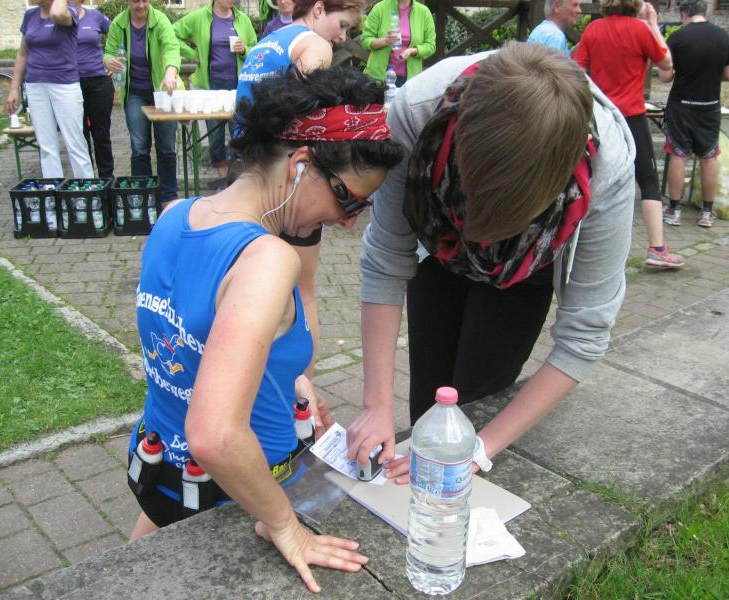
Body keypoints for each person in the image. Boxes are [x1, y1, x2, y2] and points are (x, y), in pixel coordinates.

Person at [128, 66, 403, 593]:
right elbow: (214, 435)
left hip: (160, 470)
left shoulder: (175, 215)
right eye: (349, 199)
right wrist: (284, 525)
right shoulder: (265, 260)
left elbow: (194, 345)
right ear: (300, 164)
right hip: (235, 493)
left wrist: (287, 378)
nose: (350, 221)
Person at [345, 43, 635, 482]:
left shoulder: (609, 169)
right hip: (438, 250)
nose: (480, 240)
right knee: (429, 401)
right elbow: (387, 258)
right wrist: (375, 406)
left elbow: (585, 334)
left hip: (526, 273)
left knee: (477, 400)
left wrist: (480, 449)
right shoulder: (416, 111)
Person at [236, 0, 365, 371]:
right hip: (289, 183)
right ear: (319, 9)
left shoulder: (266, 44)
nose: (342, 38)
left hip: (248, 175)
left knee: (249, 285)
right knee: (302, 292)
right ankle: (301, 385)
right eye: (342, 25)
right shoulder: (315, 44)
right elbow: (303, 102)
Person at [573, 0, 684, 269]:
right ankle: (657, 248)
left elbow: (576, 69)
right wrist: (653, 23)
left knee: (593, 177)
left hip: (601, 116)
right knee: (647, 180)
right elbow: (666, 62)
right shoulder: (640, 29)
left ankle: (581, 246)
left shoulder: (593, 29)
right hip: (631, 117)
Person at [658, 0, 729, 228]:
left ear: (683, 14)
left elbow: (665, 77)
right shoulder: (723, 37)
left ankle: (674, 210)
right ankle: (707, 212)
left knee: (678, 154)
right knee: (709, 156)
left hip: (682, 104)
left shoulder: (678, 37)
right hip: (709, 104)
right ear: (705, 12)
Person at [6, 0, 94, 179]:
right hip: (35, 86)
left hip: (65, 86)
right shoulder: (30, 16)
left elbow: (57, 14)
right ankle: (52, 190)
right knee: (46, 146)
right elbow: (23, 53)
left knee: (75, 143)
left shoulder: (69, 12)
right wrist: (14, 88)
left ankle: (86, 191)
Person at [104, 0, 181, 201]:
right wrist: (108, 61)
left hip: (162, 91)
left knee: (166, 147)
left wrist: (170, 73)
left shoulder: (160, 20)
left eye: (144, 0)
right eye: (135, 1)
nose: (140, 5)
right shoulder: (118, 24)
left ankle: (168, 197)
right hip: (135, 93)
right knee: (139, 148)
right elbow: (108, 52)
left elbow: (171, 48)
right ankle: (143, 197)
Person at [173, 0, 257, 181]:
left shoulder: (243, 19)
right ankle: (224, 176)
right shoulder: (199, 17)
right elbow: (172, 33)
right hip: (210, 86)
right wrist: (192, 54)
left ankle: (237, 176)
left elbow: (256, 49)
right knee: (215, 134)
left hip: (237, 85)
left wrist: (244, 49)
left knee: (239, 131)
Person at [68, 0, 115, 179]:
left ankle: (106, 180)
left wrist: (112, 59)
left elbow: (118, 34)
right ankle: (86, 180)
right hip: (71, 84)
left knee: (101, 134)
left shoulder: (95, 16)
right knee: (80, 136)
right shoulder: (58, 19)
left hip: (99, 82)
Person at [360, 0, 436, 86]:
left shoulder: (424, 12)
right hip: (377, 78)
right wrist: (385, 41)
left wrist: (412, 51)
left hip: (410, 81)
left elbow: (430, 46)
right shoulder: (380, 8)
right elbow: (365, 40)